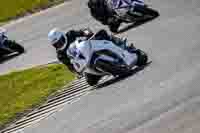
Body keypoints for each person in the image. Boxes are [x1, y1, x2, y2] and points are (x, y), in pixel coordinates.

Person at [48, 28, 135, 75]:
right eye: (56, 44)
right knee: (91, 82)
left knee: (102, 33)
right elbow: (69, 66)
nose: (59, 45)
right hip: (84, 62)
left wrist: (87, 33)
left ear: (63, 36)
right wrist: (76, 72)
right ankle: (104, 70)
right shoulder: (60, 55)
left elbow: (83, 31)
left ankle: (120, 43)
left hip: (87, 47)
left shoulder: (70, 34)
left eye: (60, 41)